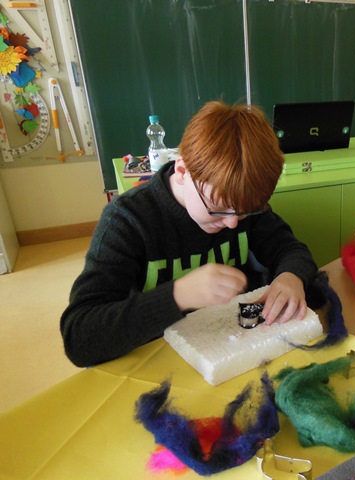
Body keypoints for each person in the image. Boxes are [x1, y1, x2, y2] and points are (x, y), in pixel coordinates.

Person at [61, 101, 317, 367]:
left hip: (223, 352)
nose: (232, 223)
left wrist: (292, 276)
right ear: (183, 171)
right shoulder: (126, 220)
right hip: (155, 359)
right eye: (217, 208)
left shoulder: (241, 203)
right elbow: (79, 337)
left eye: (244, 213)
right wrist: (177, 296)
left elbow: (291, 250)